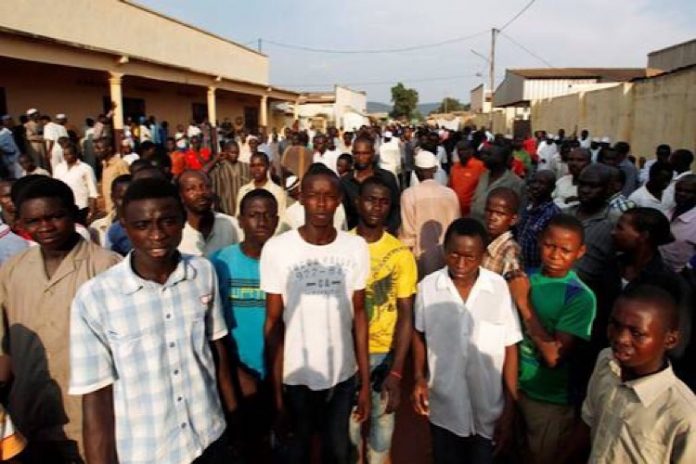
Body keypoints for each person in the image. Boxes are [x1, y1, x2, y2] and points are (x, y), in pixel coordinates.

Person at [69, 178, 237, 464]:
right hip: (147, 452)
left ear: (183, 220)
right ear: (124, 225)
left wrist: (234, 427)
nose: (157, 235)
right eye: (142, 225)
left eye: (168, 221)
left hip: (209, 437)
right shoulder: (95, 298)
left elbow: (216, 352)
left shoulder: (202, 272)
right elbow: (96, 399)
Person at [0, 177, 120, 463]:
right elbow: (4, 347)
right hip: (28, 419)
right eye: (35, 221)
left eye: (55, 217)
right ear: (22, 224)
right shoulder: (13, 270)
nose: (46, 227)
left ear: (73, 213)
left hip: (91, 424)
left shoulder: (108, 268)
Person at [262, 166, 371, 463]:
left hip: (342, 376)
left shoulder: (356, 247)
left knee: (336, 452)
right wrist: (277, 396)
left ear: (339, 200)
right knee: (295, 453)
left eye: (329, 196)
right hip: (295, 378)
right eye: (313, 196)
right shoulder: (277, 249)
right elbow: (273, 323)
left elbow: (359, 316)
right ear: (301, 199)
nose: (321, 204)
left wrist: (364, 380)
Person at [412, 218, 522, 463]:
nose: (461, 264)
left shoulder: (498, 289)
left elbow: (510, 348)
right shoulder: (428, 288)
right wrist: (419, 376)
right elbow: (419, 333)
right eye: (454, 254)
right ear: (444, 250)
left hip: (488, 411)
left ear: (482, 256)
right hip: (444, 410)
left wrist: (510, 406)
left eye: (470, 257)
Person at [565, 285, 696, 462]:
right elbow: (587, 424)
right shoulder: (606, 363)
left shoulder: (683, 415)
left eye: (637, 333)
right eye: (615, 325)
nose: (621, 338)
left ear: (670, 340)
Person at [517, 214, 596, 464]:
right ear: (540, 241)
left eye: (565, 250)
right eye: (550, 246)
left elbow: (554, 356)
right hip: (515, 388)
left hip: (549, 400)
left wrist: (523, 303)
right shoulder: (528, 277)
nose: (554, 255)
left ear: (580, 252)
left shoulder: (580, 297)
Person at [349, 176, 417, 464]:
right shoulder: (342, 247)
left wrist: (398, 371)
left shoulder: (401, 255)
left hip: (385, 355)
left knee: (382, 431)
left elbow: (405, 314)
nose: (376, 207)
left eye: (383, 201)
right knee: (350, 430)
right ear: (357, 203)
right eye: (370, 199)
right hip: (350, 355)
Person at [210, 189, 279, 462]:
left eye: (267, 216)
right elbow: (212, 326)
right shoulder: (219, 263)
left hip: (278, 373)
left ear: (276, 220)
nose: (260, 222)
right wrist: (235, 370)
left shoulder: (285, 261)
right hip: (236, 375)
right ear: (240, 220)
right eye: (253, 215)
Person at [400, 150, 460, 278]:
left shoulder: (409, 195)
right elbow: (456, 228)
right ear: (435, 170)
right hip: (447, 257)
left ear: (416, 171)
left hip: (421, 259)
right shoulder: (450, 194)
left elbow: (408, 234)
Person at [341, 136, 401, 234]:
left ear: (372, 154)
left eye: (365, 153)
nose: (361, 157)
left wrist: (389, 228)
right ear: (353, 154)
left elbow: (396, 207)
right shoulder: (345, 182)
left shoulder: (387, 178)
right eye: (357, 153)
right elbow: (345, 213)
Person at [178, 170, 240, 257]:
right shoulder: (177, 232)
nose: (200, 192)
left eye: (205, 187)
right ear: (181, 196)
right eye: (191, 189)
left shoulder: (232, 224)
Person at [470, 145, 525, 224]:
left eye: (489, 155)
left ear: (501, 159)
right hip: (476, 224)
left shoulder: (516, 183)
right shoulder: (484, 175)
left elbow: (518, 212)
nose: (484, 157)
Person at [516, 170, 560, 269]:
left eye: (541, 183)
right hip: (519, 265)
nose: (535, 186)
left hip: (536, 269)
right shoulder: (526, 207)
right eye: (534, 182)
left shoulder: (553, 214)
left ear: (552, 188)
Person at [481, 188, 523, 277]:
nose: (492, 217)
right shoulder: (482, 241)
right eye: (489, 211)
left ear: (513, 220)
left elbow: (513, 287)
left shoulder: (509, 250)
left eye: (499, 214)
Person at [53, 143, 98, 225]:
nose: (67, 157)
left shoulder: (85, 168)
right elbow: (55, 188)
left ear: (76, 154)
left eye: (69, 154)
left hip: (81, 208)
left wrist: (92, 212)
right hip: (65, 207)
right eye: (65, 154)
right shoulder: (59, 168)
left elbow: (93, 191)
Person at [236, 152, 286, 224]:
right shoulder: (243, 191)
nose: (257, 169)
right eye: (253, 166)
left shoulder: (277, 191)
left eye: (260, 165)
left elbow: (281, 219)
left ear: (267, 166)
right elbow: (239, 217)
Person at [205, 140, 250, 216]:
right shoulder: (218, 169)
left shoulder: (246, 167)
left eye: (237, 153)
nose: (235, 155)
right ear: (225, 152)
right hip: (225, 211)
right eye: (232, 152)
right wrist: (216, 159)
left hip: (244, 211)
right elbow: (202, 173)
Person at [661, 175, 696, 272]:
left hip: (683, 278)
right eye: (678, 190)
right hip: (658, 271)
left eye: (688, 191)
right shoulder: (666, 213)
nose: (681, 194)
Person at [89, 174, 131, 247]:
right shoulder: (97, 227)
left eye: (131, 198)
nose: (126, 203)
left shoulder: (144, 229)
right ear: (112, 197)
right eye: (121, 198)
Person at [449, 141, 486, 216]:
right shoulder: (454, 167)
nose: (461, 152)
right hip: (455, 210)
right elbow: (450, 186)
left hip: (472, 212)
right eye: (459, 150)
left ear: (471, 151)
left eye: (464, 150)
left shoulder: (480, 166)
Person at [94, 137, 130, 214]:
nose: (96, 151)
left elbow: (128, 186)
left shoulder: (120, 164)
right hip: (109, 211)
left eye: (99, 148)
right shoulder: (104, 165)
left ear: (109, 149)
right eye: (96, 149)